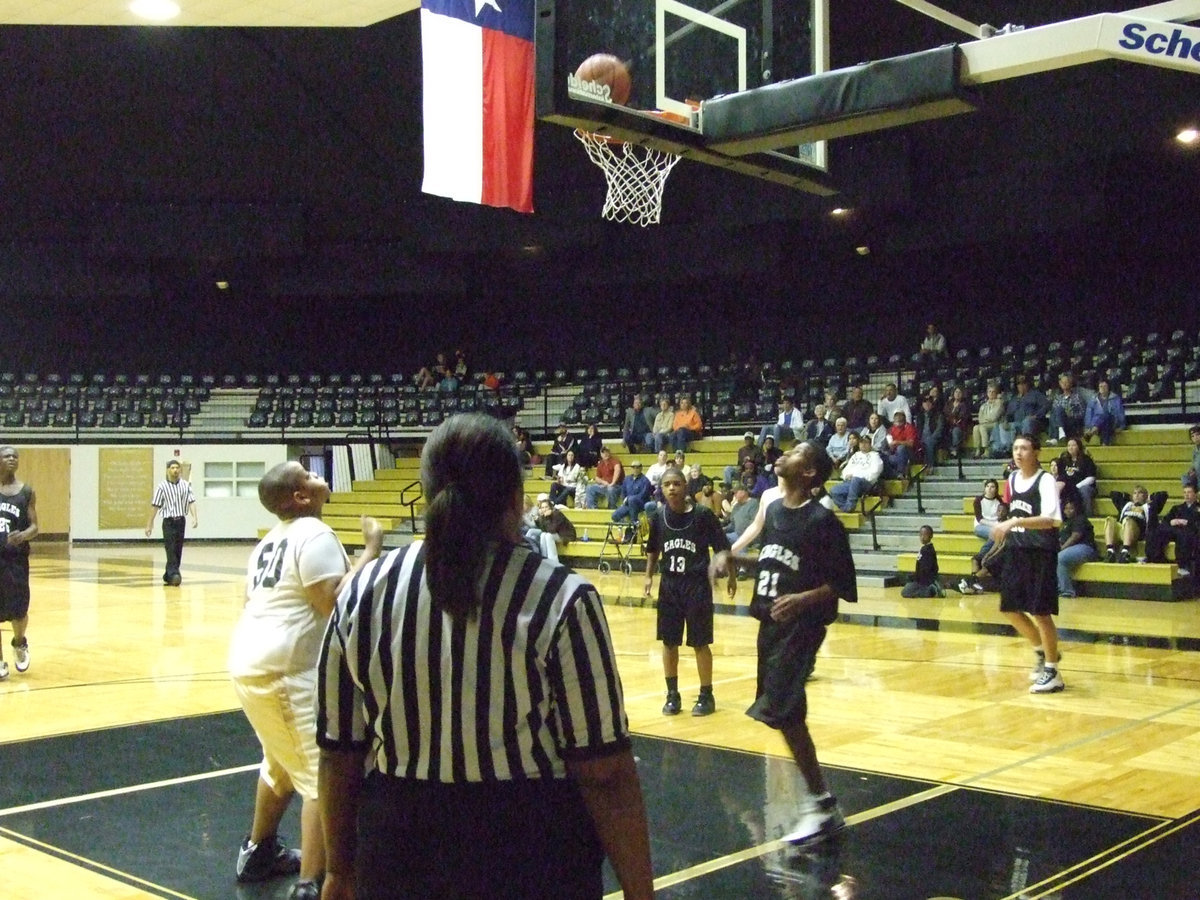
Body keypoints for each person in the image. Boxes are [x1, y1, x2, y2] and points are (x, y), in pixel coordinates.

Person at [316, 414, 654, 900]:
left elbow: (338, 753)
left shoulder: (361, 592)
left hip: (397, 848)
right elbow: (605, 772)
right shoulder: (561, 597)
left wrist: (338, 870)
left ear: (427, 492)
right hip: (528, 852)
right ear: (515, 499)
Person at [229, 461, 382, 899]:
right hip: (286, 670)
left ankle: (259, 851)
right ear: (300, 496)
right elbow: (335, 604)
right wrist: (371, 548)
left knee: (279, 761)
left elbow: (252, 601)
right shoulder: (314, 533)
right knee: (322, 773)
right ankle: (311, 883)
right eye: (308, 474)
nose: (318, 476)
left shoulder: (268, 542)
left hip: (251, 660)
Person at [710, 442, 857, 845]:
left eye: (795, 454)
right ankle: (820, 803)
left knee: (787, 711)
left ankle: (822, 805)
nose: (783, 455)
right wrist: (734, 560)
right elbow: (775, 560)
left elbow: (842, 584)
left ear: (808, 472)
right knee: (787, 714)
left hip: (802, 626)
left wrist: (801, 599)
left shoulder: (823, 521)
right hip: (770, 624)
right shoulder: (774, 511)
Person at [644, 466, 731, 717]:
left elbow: (723, 548)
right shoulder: (658, 517)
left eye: (676, 483)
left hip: (697, 585)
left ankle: (706, 694)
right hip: (669, 586)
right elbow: (653, 550)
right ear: (661, 489)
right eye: (667, 484)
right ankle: (672, 694)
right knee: (669, 642)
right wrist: (649, 575)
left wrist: (731, 575)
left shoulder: (703, 515)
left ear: (685, 487)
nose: (672, 488)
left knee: (700, 642)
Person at [990, 434, 1064, 694]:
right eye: (1015, 448)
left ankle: (1053, 672)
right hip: (1016, 549)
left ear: (1037, 452)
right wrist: (1003, 527)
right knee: (1009, 607)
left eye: (1024, 448)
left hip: (1040, 551)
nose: (1018, 452)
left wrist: (1014, 522)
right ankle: (1043, 653)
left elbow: (1051, 520)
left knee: (1041, 612)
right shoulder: (1011, 479)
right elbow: (1012, 512)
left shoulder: (1046, 480)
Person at [0, 446, 37, 680]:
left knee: (19, 610)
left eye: (15, 456)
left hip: (16, 559)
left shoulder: (26, 491)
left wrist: (23, 535)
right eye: (7, 456)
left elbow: (35, 526)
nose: (12, 459)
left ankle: (19, 641)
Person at [145, 459, 198, 586]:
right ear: (168, 470)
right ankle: (175, 574)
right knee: (170, 548)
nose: (175, 470)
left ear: (180, 470)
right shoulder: (162, 487)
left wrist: (194, 517)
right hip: (168, 522)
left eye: (177, 468)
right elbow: (155, 505)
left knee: (178, 549)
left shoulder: (185, 485)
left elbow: (191, 501)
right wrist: (149, 524)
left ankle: (168, 574)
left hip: (180, 520)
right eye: (172, 468)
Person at [1146, 483, 1200, 575]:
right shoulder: (1177, 508)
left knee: (1184, 535)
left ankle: (1183, 565)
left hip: (1190, 531)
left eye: (1189, 492)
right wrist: (1172, 522)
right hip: (1174, 530)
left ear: (1195, 494)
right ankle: (1154, 558)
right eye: (1185, 492)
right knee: (1157, 531)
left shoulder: (1198, 508)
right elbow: (1166, 520)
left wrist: (1187, 522)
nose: (1186, 495)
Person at [1103, 485, 1163, 564]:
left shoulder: (1150, 507)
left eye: (1140, 493)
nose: (1137, 495)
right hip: (1123, 528)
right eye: (1135, 493)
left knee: (1129, 521)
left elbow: (1163, 495)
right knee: (1109, 520)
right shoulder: (1127, 505)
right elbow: (1113, 494)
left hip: (1137, 530)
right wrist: (1128, 498)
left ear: (1145, 495)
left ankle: (1125, 552)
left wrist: (1150, 498)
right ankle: (1110, 551)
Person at [829, 433, 883, 513]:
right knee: (834, 490)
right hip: (850, 483)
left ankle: (850, 506)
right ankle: (846, 508)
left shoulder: (875, 456)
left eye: (866, 443)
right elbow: (845, 470)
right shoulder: (855, 455)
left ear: (870, 444)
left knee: (856, 480)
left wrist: (855, 476)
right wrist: (846, 476)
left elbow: (874, 473)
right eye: (861, 443)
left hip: (866, 484)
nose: (863, 445)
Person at [1057, 496, 1097, 597]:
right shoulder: (1065, 523)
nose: (1068, 511)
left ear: (1076, 509)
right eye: (1066, 509)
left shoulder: (1080, 519)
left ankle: (1067, 591)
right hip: (1073, 550)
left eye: (1071, 508)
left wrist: (1061, 549)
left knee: (1060, 558)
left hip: (1086, 548)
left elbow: (1075, 536)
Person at [1056, 437, 1097, 515]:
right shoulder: (1063, 460)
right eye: (1069, 445)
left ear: (1079, 446)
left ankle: (1087, 515)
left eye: (1073, 445)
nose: (1071, 447)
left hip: (1083, 486)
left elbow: (1091, 478)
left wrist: (1077, 486)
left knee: (1084, 491)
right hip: (1067, 486)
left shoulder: (1086, 460)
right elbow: (1061, 476)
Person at [610, 460, 654, 532]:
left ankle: (635, 524)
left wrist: (629, 499)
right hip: (628, 504)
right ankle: (628, 526)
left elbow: (643, 495)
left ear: (641, 468)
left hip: (641, 504)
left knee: (632, 500)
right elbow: (623, 493)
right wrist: (626, 500)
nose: (635, 469)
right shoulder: (627, 479)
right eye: (633, 467)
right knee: (614, 516)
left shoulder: (645, 480)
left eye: (637, 467)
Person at [902, 525, 944, 597]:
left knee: (905, 592)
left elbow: (927, 569)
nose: (922, 537)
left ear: (931, 536)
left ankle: (929, 590)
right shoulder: (924, 548)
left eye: (925, 535)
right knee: (907, 589)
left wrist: (915, 577)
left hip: (925, 581)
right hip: (921, 579)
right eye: (921, 535)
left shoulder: (928, 550)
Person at [533, 495, 577, 563]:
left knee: (548, 536)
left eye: (546, 507)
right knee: (543, 535)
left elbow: (552, 530)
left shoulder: (557, 514)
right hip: (556, 534)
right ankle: (544, 559)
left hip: (566, 535)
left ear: (550, 507)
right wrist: (539, 520)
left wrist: (548, 517)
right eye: (542, 507)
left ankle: (553, 561)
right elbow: (544, 530)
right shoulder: (544, 516)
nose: (544, 509)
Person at [1047, 372, 1087, 446]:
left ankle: (1056, 437)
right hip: (1060, 422)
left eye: (1067, 382)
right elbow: (1054, 414)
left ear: (1071, 384)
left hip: (1071, 423)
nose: (1064, 384)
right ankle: (1061, 431)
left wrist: (1071, 414)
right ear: (1060, 384)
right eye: (1062, 382)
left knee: (1058, 409)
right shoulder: (1058, 398)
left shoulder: (1077, 397)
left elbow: (1082, 413)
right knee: (1055, 411)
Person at [1083, 379, 1126, 446]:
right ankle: (1104, 444)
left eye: (1105, 386)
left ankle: (1092, 432)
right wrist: (1088, 427)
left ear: (1108, 387)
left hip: (1112, 421)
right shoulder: (1093, 399)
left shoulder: (1115, 398)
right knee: (1105, 423)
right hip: (1100, 425)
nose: (1103, 388)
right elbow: (1089, 414)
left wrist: (1121, 426)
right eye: (1101, 386)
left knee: (1106, 415)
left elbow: (1120, 413)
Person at [584, 445, 624, 509]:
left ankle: (611, 508)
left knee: (610, 489)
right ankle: (593, 509)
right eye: (603, 452)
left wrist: (612, 483)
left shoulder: (615, 461)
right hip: (605, 486)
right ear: (601, 454)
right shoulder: (601, 463)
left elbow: (617, 470)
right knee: (589, 488)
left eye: (607, 452)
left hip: (617, 486)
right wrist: (603, 482)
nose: (605, 454)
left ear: (609, 452)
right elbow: (597, 478)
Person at [975, 383, 1005, 458]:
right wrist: (986, 420)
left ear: (996, 393)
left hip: (996, 424)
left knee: (982, 427)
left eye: (993, 392)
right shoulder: (983, 405)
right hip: (986, 424)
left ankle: (987, 450)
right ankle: (978, 450)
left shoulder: (999, 403)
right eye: (989, 391)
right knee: (975, 427)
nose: (991, 393)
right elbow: (980, 418)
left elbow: (994, 417)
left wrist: (985, 419)